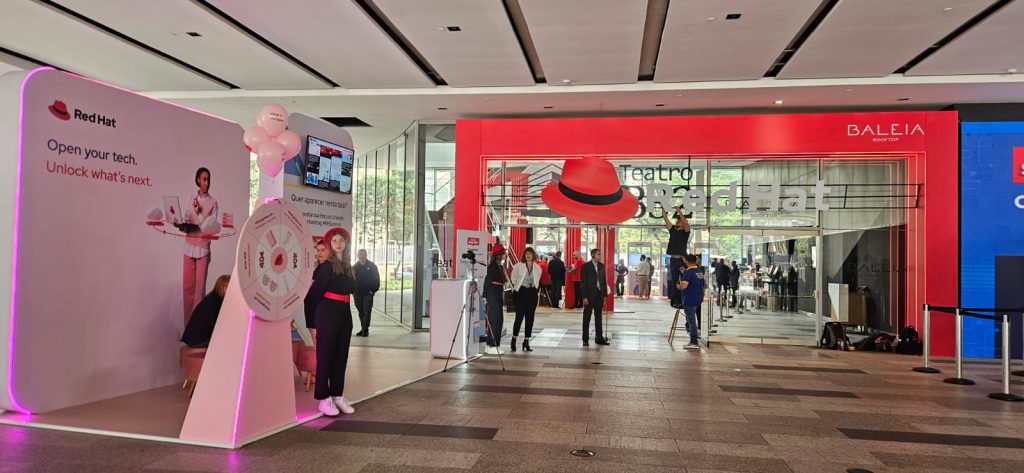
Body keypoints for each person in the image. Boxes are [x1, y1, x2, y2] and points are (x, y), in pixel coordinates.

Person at [304, 227, 357, 417]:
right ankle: (323, 398)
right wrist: (312, 324)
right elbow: (310, 298)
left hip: (344, 314)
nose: (338, 243)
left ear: (346, 244)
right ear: (330, 245)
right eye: (334, 241)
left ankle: (337, 395)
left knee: (340, 356)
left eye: (341, 240)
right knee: (325, 357)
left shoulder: (348, 267)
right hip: (327, 315)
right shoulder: (325, 267)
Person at [182, 167, 220, 324]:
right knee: (187, 288)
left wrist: (198, 212)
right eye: (204, 179)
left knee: (199, 291)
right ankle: (187, 327)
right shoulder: (191, 197)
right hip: (188, 246)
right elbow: (188, 216)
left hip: (203, 249)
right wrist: (183, 221)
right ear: (198, 180)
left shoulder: (213, 203)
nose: (206, 182)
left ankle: (196, 329)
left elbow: (208, 227)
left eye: (208, 179)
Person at [181, 275, 230, 348]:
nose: (230, 290)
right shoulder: (215, 301)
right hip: (198, 340)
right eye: (228, 287)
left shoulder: (212, 298)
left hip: (192, 338)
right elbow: (214, 324)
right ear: (221, 287)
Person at [510, 247, 541, 352]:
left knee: (530, 317)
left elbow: (537, 280)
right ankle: (514, 339)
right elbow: (513, 278)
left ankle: (526, 341)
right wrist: (516, 287)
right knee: (519, 316)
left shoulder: (537, 268)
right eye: (527, 254)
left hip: (532, 293)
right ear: (524, 255)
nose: (528, 256)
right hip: (520, 292)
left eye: (530, 254)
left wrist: (535, 289)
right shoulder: (518, 266)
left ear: (533, 255)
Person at [580, 248, 610, 346]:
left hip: (599, 295)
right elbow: (583, 283)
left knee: (598, 317)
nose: (600, 256)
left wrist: (605, 295)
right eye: (598, 254)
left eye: (600, 254)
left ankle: (599, 338)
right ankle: (585, 339)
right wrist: (584, 297)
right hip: (589, 296)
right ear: (593, 255)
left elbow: (603, 282)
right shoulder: (585, 267)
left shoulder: (601, 266)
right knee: (586, 317)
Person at [675, 254, 705, 350]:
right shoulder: (699, 271)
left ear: (687, 261)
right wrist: (685, 273)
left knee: (691, 321)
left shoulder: (689, 273)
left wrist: (678, 286)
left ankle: (693, 341)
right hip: (698, 297)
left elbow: (684, 286)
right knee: (692, 319)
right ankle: (694, 340)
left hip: (689, 298)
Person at [663, 207, 690, 307]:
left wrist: (679, 212)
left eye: (679, 221)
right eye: (678, 221)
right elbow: (665, 219)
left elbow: (686, 223)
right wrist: (664, 209)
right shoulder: (673, 230)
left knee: (684, 280)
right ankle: (675, 301)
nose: (678, 222)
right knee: (675, 281)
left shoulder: (686, 232)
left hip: (682, 259)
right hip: (674, 259)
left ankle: (685, 299)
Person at [483, 244, 508, 351]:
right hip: (493, 293)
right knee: (496, 318)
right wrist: (485, 295)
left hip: (498, 292)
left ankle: (492, 342)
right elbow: (487, 280)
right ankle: (493, 344)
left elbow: (502, 280)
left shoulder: (500, 266)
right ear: (499, 255)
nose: (505, 255)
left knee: (497, 318)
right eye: (504, 253)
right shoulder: (492, 266)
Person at [353, 249, 380, 337]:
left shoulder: (372, 266)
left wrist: (373, 290)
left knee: (367, 311)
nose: (361, 256)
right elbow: (351, 280)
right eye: (360, 254)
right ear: (357, 255)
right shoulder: (354, 267)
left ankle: (365, 330)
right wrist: (353, 291)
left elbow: (376, 279)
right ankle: (363, 328)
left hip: (368, 294)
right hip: (357, 294)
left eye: (363, 254)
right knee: (361, 312)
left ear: (366, 255)